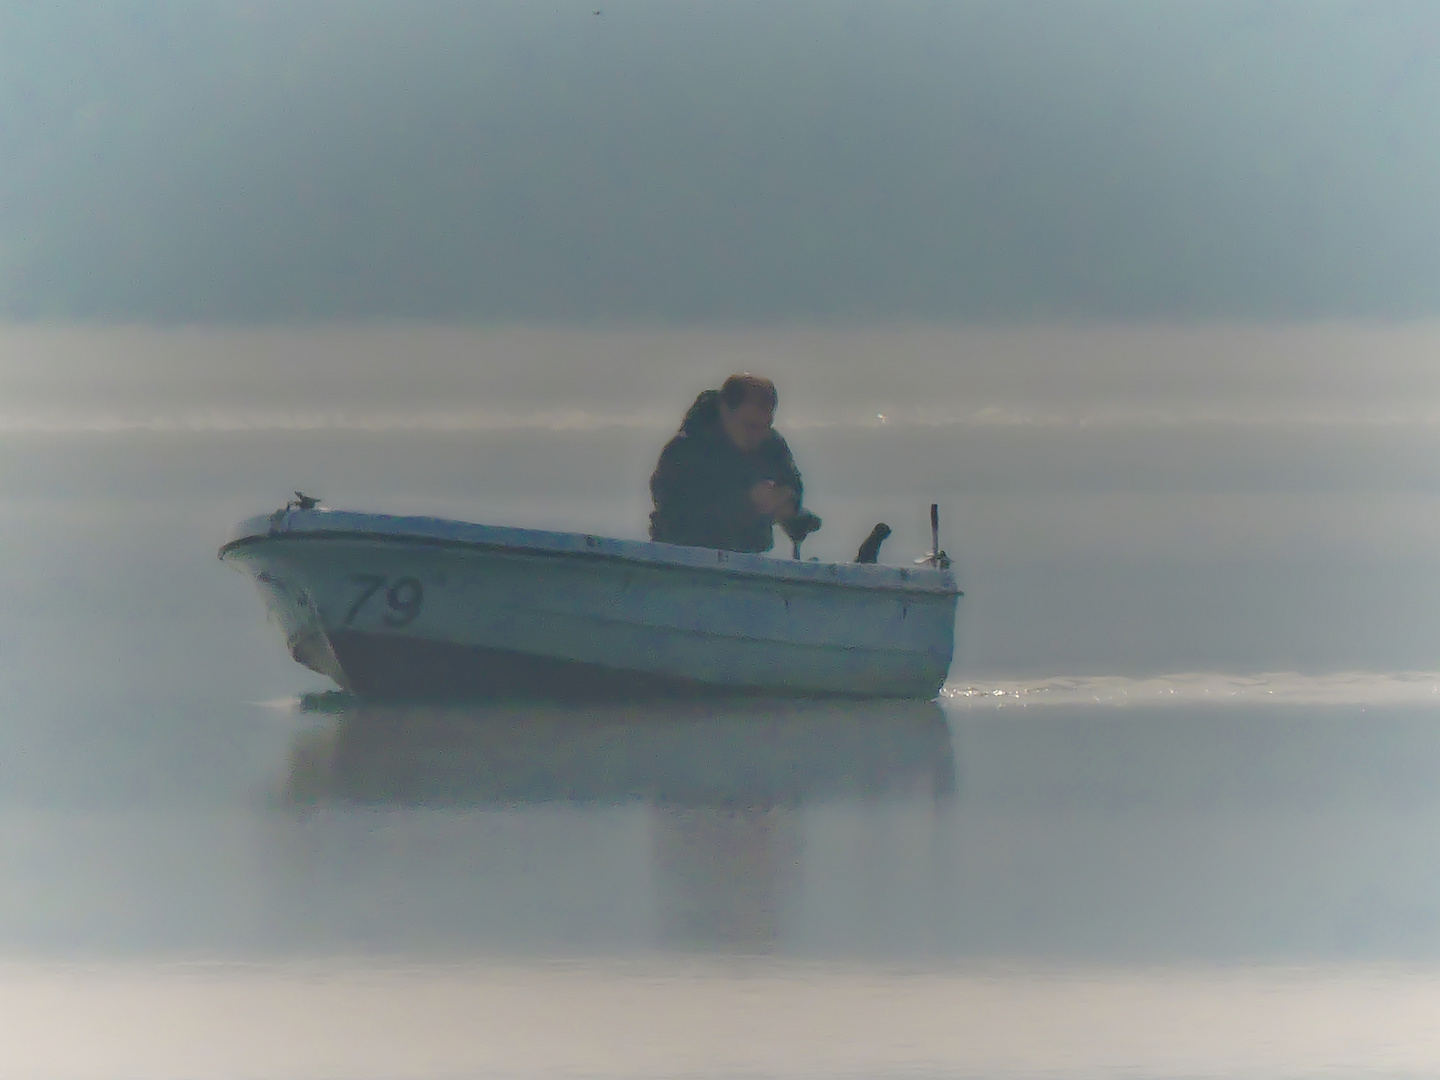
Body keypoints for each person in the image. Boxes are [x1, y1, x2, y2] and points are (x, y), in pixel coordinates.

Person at [649, 374, 813, 553]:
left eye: (765, 426)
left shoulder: (771, 445)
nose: (758, 436)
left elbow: (793, 485)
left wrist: (783, 499)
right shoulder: (683, 452)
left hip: (749, 562)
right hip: (682, 562)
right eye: (749, 426)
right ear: (725, 410)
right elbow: (679, 519)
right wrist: (747, 502)